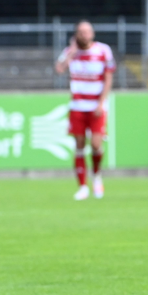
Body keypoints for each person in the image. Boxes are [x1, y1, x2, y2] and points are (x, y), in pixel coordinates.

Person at [55, 20, 115, 200]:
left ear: (93, 34)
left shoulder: (103, 50)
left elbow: (108, 78)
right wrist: (72, 53)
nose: (85, 35)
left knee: (96, 144)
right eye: (81, 32)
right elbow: (59, 69)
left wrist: (101, 102)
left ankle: (96, 176)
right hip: (77, 106)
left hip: (96, 106)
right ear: (76, 34)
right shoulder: (69, 52)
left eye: (87, 32)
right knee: (79, 145)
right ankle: (82, 186)